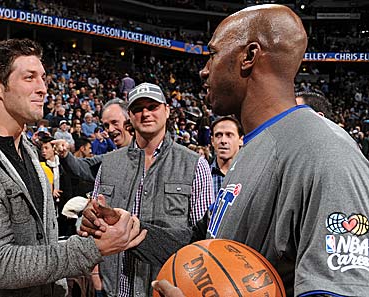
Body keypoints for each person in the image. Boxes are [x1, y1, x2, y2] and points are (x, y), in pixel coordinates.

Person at [151, 4, 369, 297]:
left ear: (249, 56)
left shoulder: (325, 152)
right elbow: (208, 242)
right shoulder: (255, 144)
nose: (203, 71)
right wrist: (134, 234)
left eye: (213, 54)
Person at [0, 39, 146, 296]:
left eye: (43, 78)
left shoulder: (26, 149)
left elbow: (39, 241)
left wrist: (91, 228)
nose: (43, 88)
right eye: (30, 78)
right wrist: (91, 248)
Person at [83, 82, 214, 297]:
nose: (145, 114)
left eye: (152, 107)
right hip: (113, 290)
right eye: (138, 109)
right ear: (130, 117)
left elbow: (202, 241)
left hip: (165, 289)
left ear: (167, 110)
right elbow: (93, 223)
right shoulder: (108, 164)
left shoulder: (193, 164)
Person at [209, 116, 243, 197]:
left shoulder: (251, 174)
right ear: (212, 141)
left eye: (229, 135)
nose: (223, 141)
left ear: (240, 140)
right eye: (218, 135)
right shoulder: (203, 176)